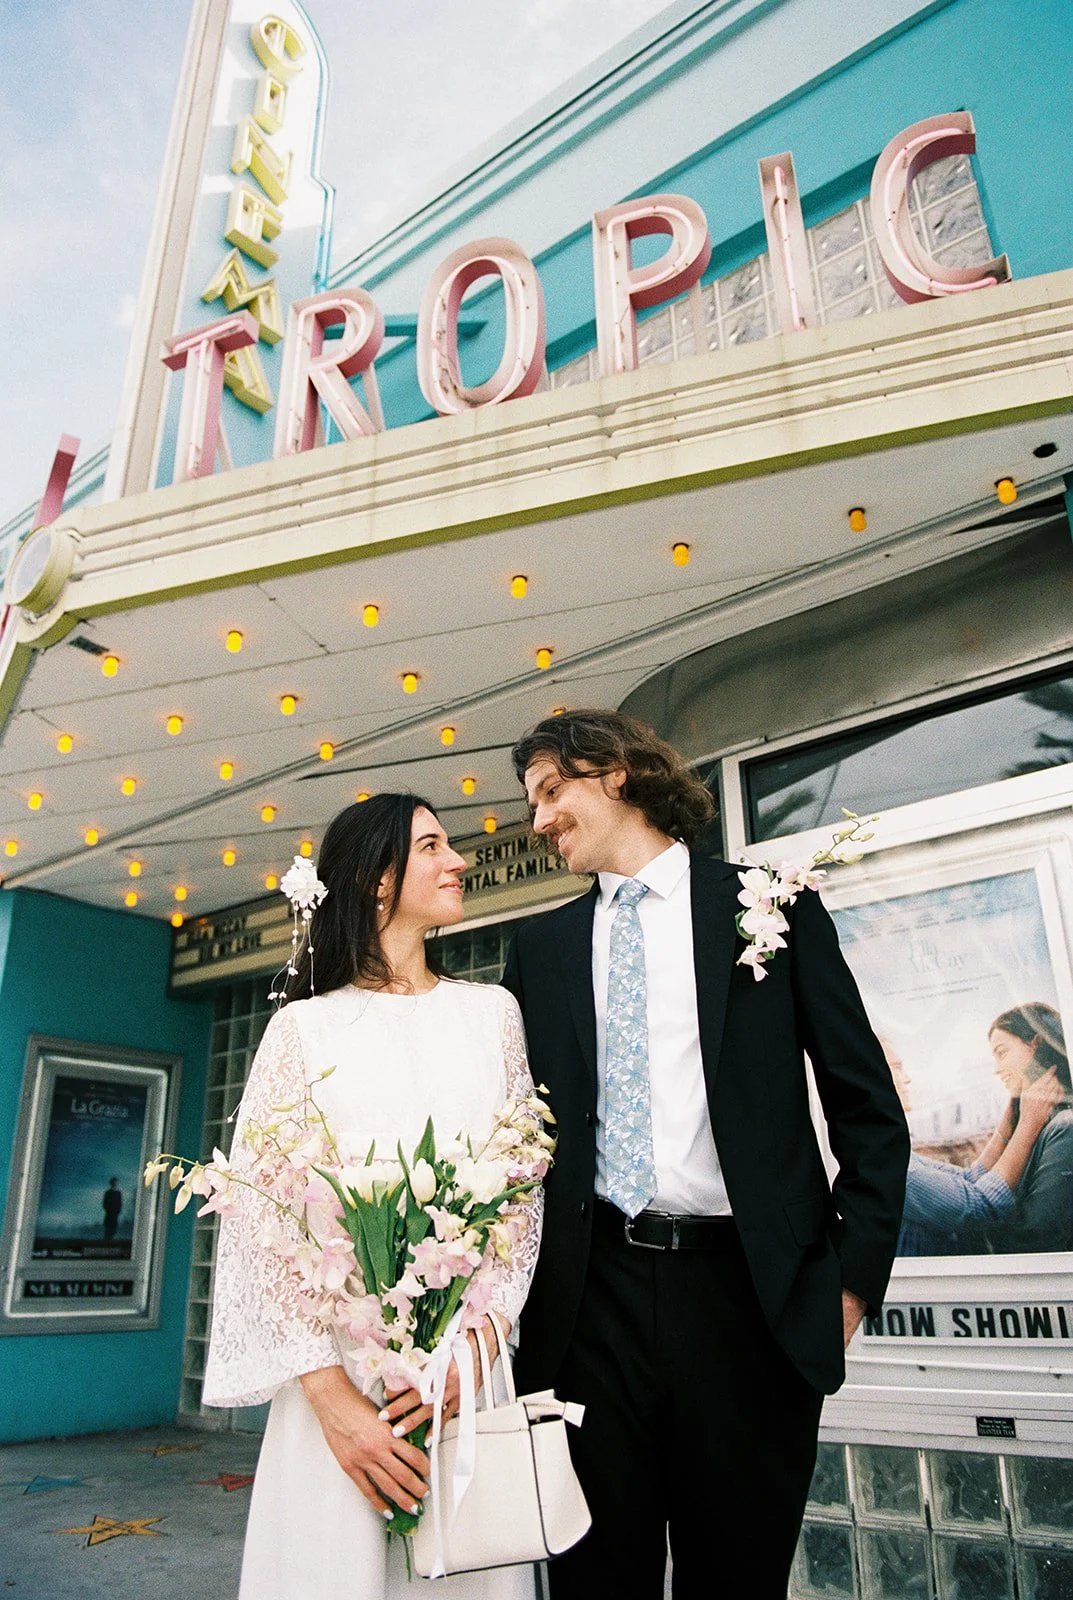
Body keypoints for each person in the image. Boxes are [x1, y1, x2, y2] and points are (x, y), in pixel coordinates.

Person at [501, 709, 910, 1600]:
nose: (536, 820)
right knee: (594, 1583)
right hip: (588, 1309)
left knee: (738, 1578)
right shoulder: (539, 949)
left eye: (549, 790)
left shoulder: (773, 906)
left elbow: (868, 1113)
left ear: (613, 772)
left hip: (748, 1304)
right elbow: (517, 1135)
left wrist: (848, 1283)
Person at [202, 795, 541, 1600]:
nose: (458, 861)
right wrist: (332, 1399)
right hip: (342, 1384)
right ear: (376, 880)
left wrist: (481, 1345)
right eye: (432, 846)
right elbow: (263, 1217)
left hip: (463, 1377)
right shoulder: (302, 1031)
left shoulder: (493, 1014)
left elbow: (521, 1196)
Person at [884, 1038, 1063, 1256]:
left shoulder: (892, 1154)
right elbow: (981, 1207)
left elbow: (969, 1180)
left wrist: (1011, 1116)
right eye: (897, 1068)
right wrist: (1029, 1123)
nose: (908, 1079)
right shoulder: (886, 1165)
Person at [984, 1003, 1073, 1253]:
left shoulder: (1065, 1127)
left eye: (1002, 1052)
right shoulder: (1035, 1122)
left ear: (1036, 1044)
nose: (997, 1069)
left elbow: (1034, 1236)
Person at [101, 1177, 122, 1242]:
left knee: (114, 1228)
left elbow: (120, 1203)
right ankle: (107, 1241)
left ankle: (111, 1240)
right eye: (114, 1182)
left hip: (115, 1214)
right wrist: (108, 1210)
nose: (115, 1184)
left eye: (116, 1182)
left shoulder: (118, 1193)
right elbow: (104, 1203)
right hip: (109, 1213)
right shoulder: (108, 1193)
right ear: (111, 1183)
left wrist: (118, 1211)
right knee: (108, 1228)